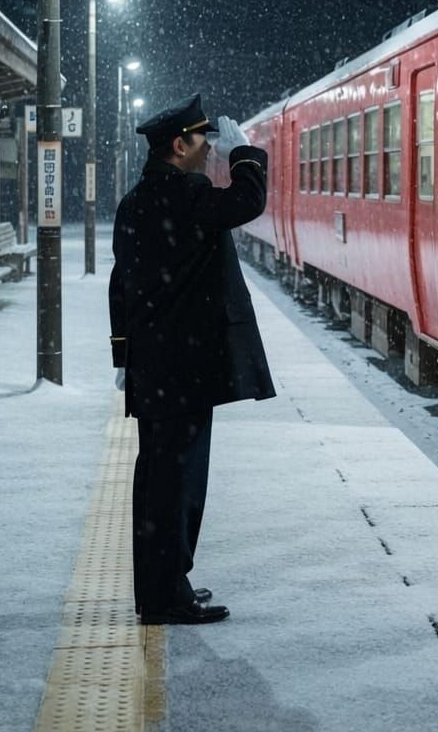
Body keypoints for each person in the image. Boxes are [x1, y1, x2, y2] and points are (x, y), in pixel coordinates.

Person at [108, 93, 276, 625]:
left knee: (160, 477)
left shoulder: (136, 202)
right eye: (204, 143)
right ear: (179, 146)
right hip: (184, 367)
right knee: (176, 484)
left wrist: (123, 354)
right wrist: (246, 155)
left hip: (156, 367)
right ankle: (165, 598)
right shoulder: (186, 192)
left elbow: (120, 284)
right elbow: (246, 204)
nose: (210, 153)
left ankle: (164, 587)